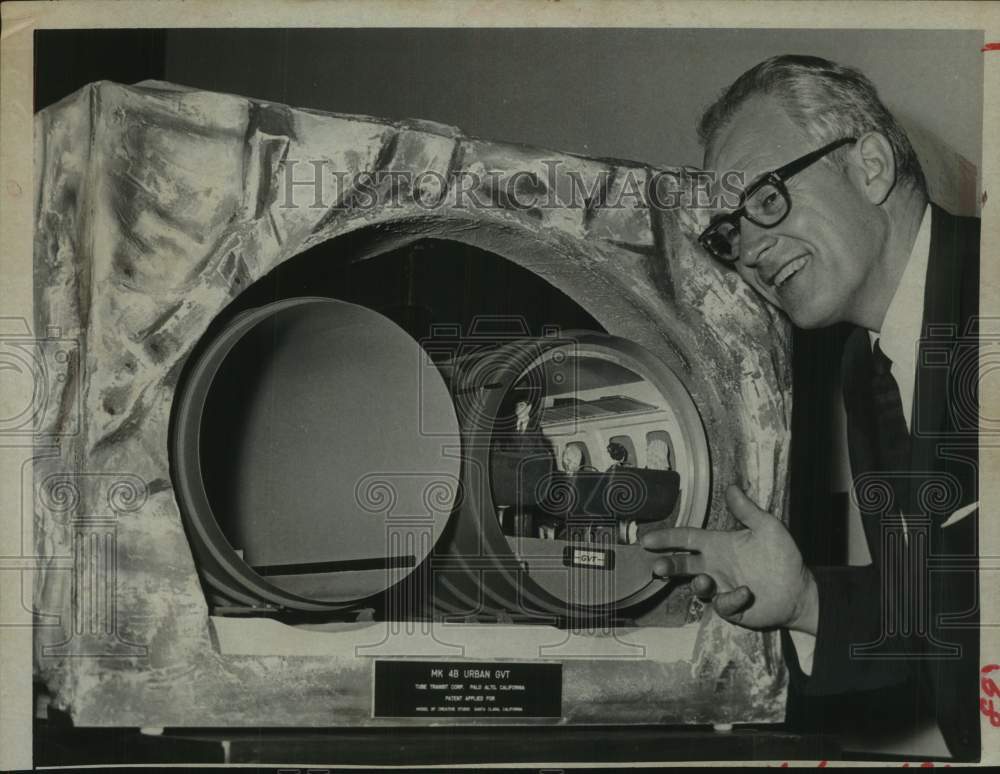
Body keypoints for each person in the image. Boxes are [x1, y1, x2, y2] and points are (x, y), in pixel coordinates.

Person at [641, 55, 980, 760]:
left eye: (766, 199)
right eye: (729, 232)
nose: (750, 252)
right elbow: (943, 619)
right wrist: (805, 601)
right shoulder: (867, 367)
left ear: (871, 167)